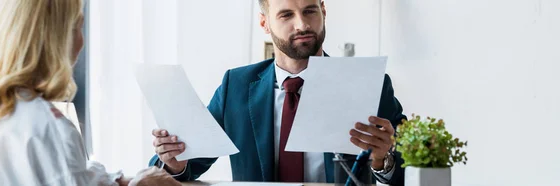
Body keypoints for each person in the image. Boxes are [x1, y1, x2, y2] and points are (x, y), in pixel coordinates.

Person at [148, 0, 407, 185]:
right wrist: (174, 160)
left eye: (310, 11)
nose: (302, 24)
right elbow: (188, 165)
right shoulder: (235, 85)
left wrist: (384, 159)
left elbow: (414, 169)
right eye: (286, 15)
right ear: (265, 23)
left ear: (323, 11)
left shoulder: (369, 83)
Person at [0, 0, 180, 185]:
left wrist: (118, 180)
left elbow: (66, 174)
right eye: (77, 28)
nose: (81, 42)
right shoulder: (49, 127)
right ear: (56, 39)